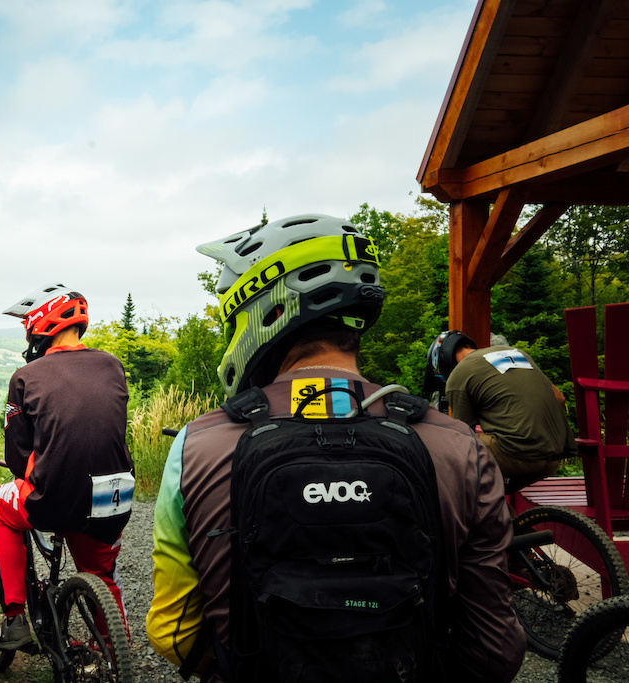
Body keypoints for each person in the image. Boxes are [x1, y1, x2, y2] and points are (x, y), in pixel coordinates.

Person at [147, 214, 525, 682]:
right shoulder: (455, 442)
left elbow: (172, 632)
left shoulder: (196, 445)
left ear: (263, 308)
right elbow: (496, 648)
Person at [0, 283, 135, 649]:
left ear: (39, 323)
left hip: (53, 498)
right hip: (115, 497)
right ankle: (113, 650)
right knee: (100, 573)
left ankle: (15, 616)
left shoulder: (26, 376)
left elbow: (18, 459)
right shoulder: (112, 366)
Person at [426, 330, 577, 491]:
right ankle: (504, 513)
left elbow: (462, 434)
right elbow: (560, 399)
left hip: (519, 455)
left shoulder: (457, 375)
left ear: (441, 362)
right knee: (493, 493)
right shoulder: (516, 353)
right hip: (555, 457)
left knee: (450, 448)